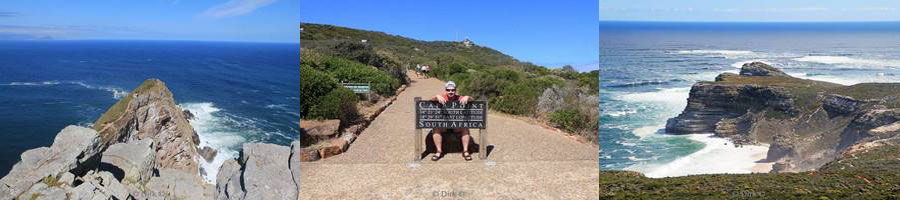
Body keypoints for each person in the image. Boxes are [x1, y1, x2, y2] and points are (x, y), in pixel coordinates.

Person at [430, 81, 474, 161]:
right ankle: (439, 151)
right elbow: (430, 101)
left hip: (456, 125)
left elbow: (472, 100)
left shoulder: (459, 97)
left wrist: (468, 97)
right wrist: (436, 96)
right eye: (448, 90)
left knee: (465, 128)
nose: (450, 92)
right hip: (445, 125)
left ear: (455, 90)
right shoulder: (441, 97)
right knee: (436, 128)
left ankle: (465, 151)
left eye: (452, 90)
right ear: (445, 90)